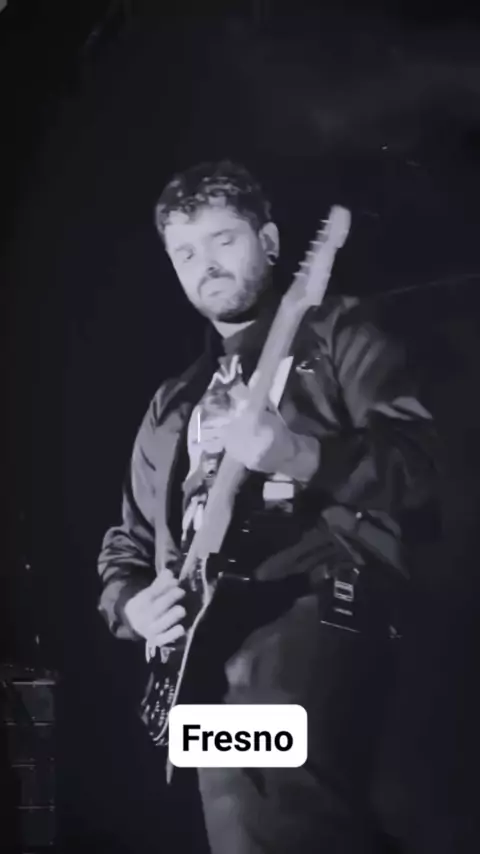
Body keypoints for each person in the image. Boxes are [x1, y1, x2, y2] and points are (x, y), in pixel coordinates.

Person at [97, 160, 440, 853]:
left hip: (312, 607)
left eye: (223, 240)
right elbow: (127, 544)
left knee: (278, 813)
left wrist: (300, 455)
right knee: (249, 826)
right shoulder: (172, 403)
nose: (205, 265)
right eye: (185, 253)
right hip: (204, 653)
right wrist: (132, 607)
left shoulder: (338, 331)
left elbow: (422, 467)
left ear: (273, 242)